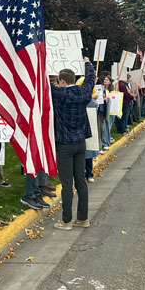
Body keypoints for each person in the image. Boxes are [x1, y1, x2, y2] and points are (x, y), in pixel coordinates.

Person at [50, 63, 95, 230]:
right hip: (80, 142)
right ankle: (83, 219)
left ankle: (66, 220)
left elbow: (41, 83)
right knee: (81, 180)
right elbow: (91, 79)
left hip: (64, 144)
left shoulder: (59, 94)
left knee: (67, 183)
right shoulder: (84, 92)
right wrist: (88, 63)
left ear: (62, 81)